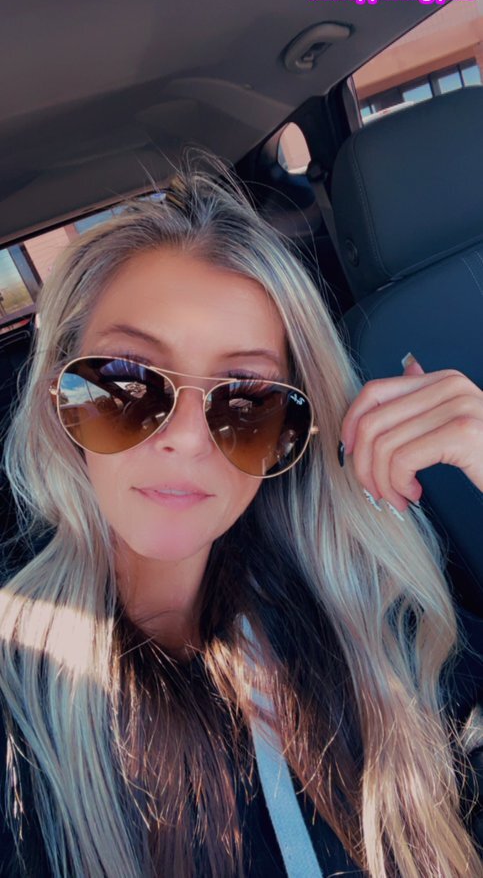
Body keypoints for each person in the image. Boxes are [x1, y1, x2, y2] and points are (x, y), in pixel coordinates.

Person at [0, 152, 482, 878]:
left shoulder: (366, 613)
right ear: (57, 397)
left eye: (247, 397)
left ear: (293, 428)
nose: (187, 438)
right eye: (125, 381)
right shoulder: (22, 689)